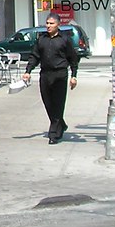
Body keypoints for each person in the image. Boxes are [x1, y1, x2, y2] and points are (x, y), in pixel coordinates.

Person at [22, 14, 79, 144]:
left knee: (58, 104)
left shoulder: (65, 40)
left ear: (58, 25)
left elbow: (73, 59)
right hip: (45, 74)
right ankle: (61, 124)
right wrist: (28, 71)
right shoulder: (41, 39)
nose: (48, 26)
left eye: (51, 23)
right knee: (48, 103)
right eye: (47, 23)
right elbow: (34, 56)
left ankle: (54, 134)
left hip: (60, 74)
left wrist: (74, 76)